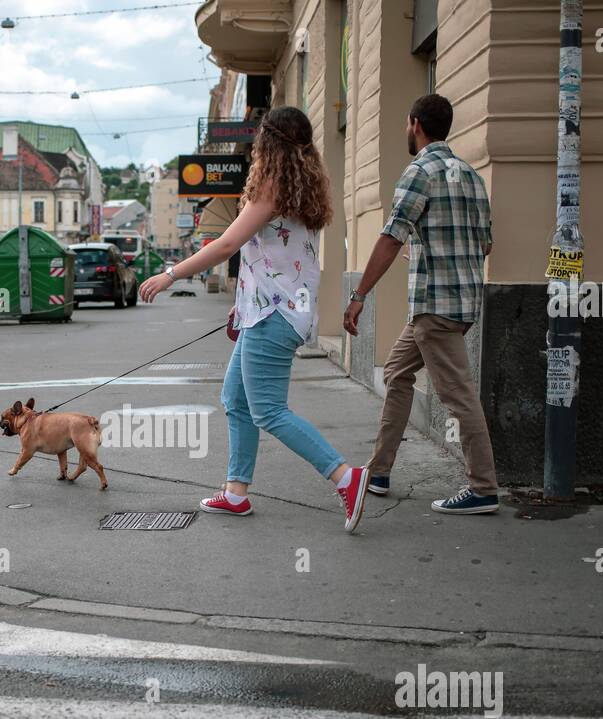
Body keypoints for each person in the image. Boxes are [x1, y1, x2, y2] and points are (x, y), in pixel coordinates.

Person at [140, 105, 372, 533]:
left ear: (268, 142)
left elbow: (228, 244)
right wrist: (243, 300)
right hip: (269, 310)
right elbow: (273, 257)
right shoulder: (301, 188)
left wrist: (171, 273)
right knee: (236, 400)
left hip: (274, 316)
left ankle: (345, 476)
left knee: (268, 411)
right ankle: (235, 493)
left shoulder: (270, 185)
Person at [343, 93, 499, 516]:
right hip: (458, 301)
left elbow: (392, 236)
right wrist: (432, 250)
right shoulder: (470, 176)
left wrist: (359, 295)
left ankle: (483, 487)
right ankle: (378, 471)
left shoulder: (419, 171)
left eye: (406, 124)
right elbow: (483, 244)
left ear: (415, 124)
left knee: (459, 396)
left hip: (435, 306)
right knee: (396, 372)